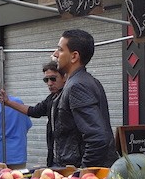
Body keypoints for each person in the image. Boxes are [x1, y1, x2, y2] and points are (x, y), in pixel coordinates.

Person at [49, 29, 118, 168]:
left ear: (74, 56)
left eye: (60, 50)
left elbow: (98, 138)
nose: (55, 54)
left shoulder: (78, 86)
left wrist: (82, 173)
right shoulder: (83, 81)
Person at [0, 61, 64, 167]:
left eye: (53, 78)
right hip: (56, 157)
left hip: (70, 159)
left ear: (64, 77)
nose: (49, 83)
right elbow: (34, 111)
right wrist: (8, 103)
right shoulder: (52, 98)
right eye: (46, 80)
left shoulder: (69, 94)